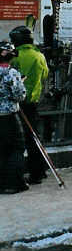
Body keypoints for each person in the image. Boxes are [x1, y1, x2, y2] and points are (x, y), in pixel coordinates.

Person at [10, 26, 49, 184]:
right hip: (33, 102)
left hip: (18, 103)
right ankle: (40, 170)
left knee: (19, 140)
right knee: (34, 137)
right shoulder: (39, 55)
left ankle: (29, 174)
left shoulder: (15, 56)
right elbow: (45, 74)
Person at [0, 42, 28, 194]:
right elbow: (19, 95)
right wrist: (21, 83)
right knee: (17, 148)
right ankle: (14, 183)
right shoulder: (12, 73)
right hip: (9, 116)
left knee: (1, 150)